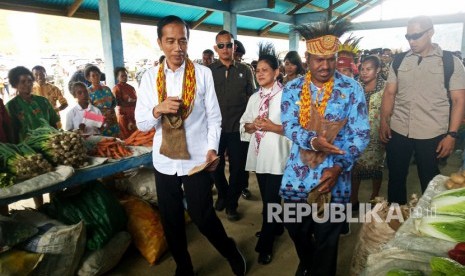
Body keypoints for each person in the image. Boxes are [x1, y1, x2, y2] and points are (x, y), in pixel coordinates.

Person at [135, 15, 246, 276]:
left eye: (182, 40)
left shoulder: (203, 74)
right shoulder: (150, 78)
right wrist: (157, 109)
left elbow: (214, 118)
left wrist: (212, 149)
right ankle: (184, 266)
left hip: (196, 159)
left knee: (202, 214)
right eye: (170, 41)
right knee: (171, 220)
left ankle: (230, 250)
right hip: (164, 161)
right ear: (160, 43)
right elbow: (141, 124)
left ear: (188, 42)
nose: (177, 47)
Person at [280, 21, 369, 275]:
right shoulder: (292, 88)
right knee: (295, 227)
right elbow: (288, 124)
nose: (325, 66)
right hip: (298, 177)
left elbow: (360, 133)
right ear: (307, 59)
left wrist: (340, 166)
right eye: (319, 59)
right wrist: (312, 141)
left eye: (331, 59)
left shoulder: (351, 89)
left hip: (335, 177)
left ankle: (319, 268)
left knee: (328, 240)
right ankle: (308, 261)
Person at [380, 15, 465, 205]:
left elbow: (459, 101)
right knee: (395, 178)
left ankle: (427, 222)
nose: (411, 41)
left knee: (430, 180)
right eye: (408, 37)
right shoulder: (400, 60)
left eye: (416, 36)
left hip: (432, 133)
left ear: (430, 32)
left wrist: (451, 135)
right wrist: (384, 122)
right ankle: (396, 219)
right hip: (399, 130)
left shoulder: (450, 62)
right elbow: (389, 94)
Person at [240, 42, 290, 265]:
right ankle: (276, 225)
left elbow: (297, 128)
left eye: (265, 70)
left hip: (278, 155)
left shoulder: (287, 96)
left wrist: (273, 127)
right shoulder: (254, 98)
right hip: (260, 155)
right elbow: (245, 123)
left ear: (276, 72)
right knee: (268, 198)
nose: (260, 74)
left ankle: (266, 244)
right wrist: (251, 126)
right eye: (257, 70)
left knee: (271, 201)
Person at [209, 31, 255, 221]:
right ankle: (222, 193)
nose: (225, 49)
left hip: (238, 129)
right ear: (216, 48)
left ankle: (232, 204)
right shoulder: (208, 71)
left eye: (229, 45)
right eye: (221, 45)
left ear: (234, 47)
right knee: (214, 167)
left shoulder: (245, 70)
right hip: (215, 129)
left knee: (238, 169)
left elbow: (253, 98)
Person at [6, 66, 60, 208]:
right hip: (28, 150)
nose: (27, 84)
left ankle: (56, 204)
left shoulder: (43, 101)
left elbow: (54, 122)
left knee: (54, 178)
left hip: (50, 146)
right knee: (37, 182)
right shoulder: (11, 106)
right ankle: (40, 208)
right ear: (14, 85)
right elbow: (11, 131)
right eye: (22, 82)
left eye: (29, 81)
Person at [351, 55, 385, 208]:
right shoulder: (356, 86)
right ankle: (353, 199)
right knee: (355, 168)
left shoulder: (385, 88)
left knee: (376, 168)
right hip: (357, 134)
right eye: (362, 69)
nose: (364, 72)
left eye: (369, 69)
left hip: (377, 134)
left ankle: (374, 196)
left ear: (377, 70)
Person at [85, 65, 120, 138]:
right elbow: (87, 112)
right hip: (100, 124)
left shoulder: (106, 89)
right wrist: (102, 118)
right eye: (93, 76)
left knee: (116, 142)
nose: (96, 77)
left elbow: (114, 102)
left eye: (97, 75)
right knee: (104, 144)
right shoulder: (88, 93)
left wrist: (110, 110)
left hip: (112, 121)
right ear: (89, 78)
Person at [113, 67, 137, 139]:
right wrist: (130, 102)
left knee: (135, 134)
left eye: (125, 75)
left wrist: (134, 101)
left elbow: (136, 100)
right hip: (123, 114)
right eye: (122, 76)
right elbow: (117, 103)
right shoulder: (116, 88)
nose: (124, 77)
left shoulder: (131, 87)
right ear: (117, 77)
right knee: (126, 135)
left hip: (133, 114)